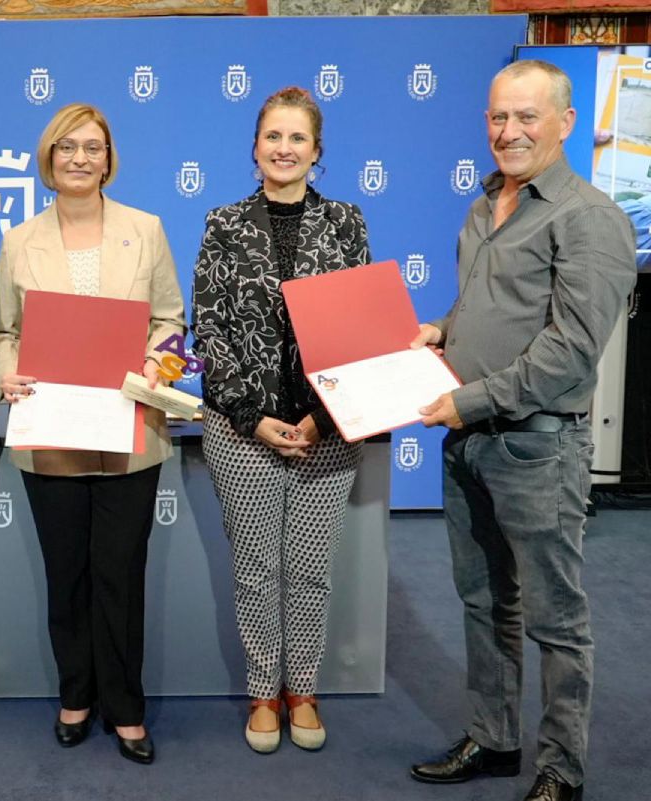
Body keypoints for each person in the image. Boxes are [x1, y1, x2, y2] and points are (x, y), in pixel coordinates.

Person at [409, 60, 635, 801]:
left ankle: (561, 769)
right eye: (498, 117)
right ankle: (496, 736)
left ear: (566, 123)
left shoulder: (590, 217)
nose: (508, 132)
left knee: (555, 617)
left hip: (537, 444)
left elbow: (569, 348)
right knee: (483, 601)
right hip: (468, 439)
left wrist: (469, 400)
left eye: (527, 117)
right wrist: (439, 331)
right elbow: (488, 306)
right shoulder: (485, 206)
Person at [0, 102, 186, 765]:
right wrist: (8, 374)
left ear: (110, 158)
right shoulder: (18, 240)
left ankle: (125, 707)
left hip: (128, 426)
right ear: (48, 158)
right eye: (67, 147)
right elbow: (4, 332)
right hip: (52, 430)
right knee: (66, 571)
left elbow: (170, 321)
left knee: (121, 573)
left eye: (93, 147)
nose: (80, 158)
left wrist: (158, 363)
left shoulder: (145, 228)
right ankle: (76, 694)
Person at [191, 86, 370, 755]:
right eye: (274, 136)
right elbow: (207, 329)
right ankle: (264, 690)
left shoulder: (348, 223)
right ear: (255, 147)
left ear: (316, 152)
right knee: (257, 568)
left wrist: (323, 416)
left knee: (311, 569)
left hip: (327, 429)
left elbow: (359, 327)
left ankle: (305, 688)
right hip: (244, 432)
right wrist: (253, 414)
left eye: (298, 138)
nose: (285, 148)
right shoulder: (223, 224)